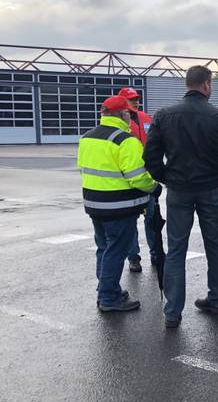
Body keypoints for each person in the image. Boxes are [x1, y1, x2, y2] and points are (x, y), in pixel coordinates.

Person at [143, 65, 218, 328]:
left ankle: (172, 312)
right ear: (206, 85)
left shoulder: (164, 116)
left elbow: (150, 157)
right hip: (208, 189)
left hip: (178, 190)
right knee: (215, 245)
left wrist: (166, 176)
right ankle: (217, 300)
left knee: (176, 249)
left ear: (187, 84)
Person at [78, 95, 160, 312]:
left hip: (94, 204)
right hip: (118, 206)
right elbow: (137, 176)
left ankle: (107, 288)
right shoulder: (125, 140)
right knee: (116, 250)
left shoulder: (87, 138)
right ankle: (109, 297)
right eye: (128, 114)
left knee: (103, 247)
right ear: (123, 114)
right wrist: (154, 187)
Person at [118, 87, 157, 273]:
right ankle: (133, 257)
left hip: (147, 175)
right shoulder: (118, 124)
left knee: (152, 218)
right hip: (128, 180)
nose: (136, 101)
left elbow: (155, 142)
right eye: (131, 99)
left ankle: (156, 253)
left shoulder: (146, 118)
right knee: (131, 221)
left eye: (137, 98)